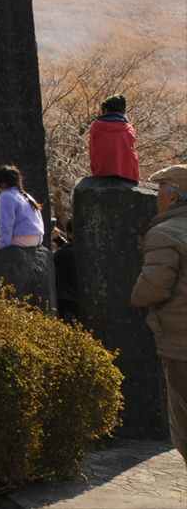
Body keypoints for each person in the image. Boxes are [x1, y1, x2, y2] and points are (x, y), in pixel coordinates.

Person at [131, 164, 187, 462]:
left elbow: (153, 287)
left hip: (181, 345)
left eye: (161, 189)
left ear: (175, 196)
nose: (157, 197)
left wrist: (135, 297)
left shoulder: (165, 233)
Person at [89, 94, 140, 183]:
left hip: (101, 172)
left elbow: (92, 152)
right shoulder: (128, 128)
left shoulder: (95, 126)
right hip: (127, 175)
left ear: (106, 110)